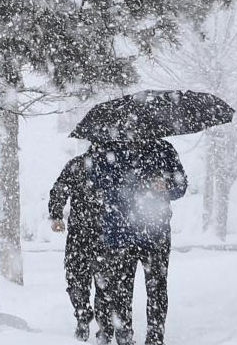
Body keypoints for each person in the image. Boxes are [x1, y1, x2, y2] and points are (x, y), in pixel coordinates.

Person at [90, 139, 187, 345]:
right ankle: (125, 337)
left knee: (157, 288)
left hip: (155, 233)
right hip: (121, 233)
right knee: (121, 290)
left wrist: (166, 185)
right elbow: (96, 183)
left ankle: (155, 337)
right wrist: (122, 184)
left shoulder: (164, 149)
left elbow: (181, 186)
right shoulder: (108, 149)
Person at [50, 149, 110, 342]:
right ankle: (89, 318)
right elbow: (60, 188)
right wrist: (56, 214)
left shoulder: (82, 164)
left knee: (84, 280)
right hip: (95, 233)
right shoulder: (85, 165)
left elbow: (60, 188)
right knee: (93, 281)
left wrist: (57, 214)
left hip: (93, 234)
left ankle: (93, 320)